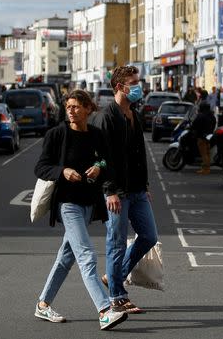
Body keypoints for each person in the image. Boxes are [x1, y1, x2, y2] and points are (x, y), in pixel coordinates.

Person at [34, 90, 128, 331]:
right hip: (68, 204)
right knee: (86, 255)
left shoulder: (96, 135)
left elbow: (107, 161)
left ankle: (43, 304)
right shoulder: (57, 134)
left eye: (76, 106)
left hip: (88, 204)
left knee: (66, 258)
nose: (71, 111)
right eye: (68, 107)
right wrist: (63, 171)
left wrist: (98, 166)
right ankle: (105, 310)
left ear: (88, 108)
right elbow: (41, 167)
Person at [91, 65, 158, 315]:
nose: (139, 86)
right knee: (116, 243)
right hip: (117, 191)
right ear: (120, 87)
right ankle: (117, 297)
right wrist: (109, 191)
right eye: (134, 82)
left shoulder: (133, 113)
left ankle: (113, 276)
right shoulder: (107, 117)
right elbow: (102, 157)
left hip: (138, 190)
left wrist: (146, 185)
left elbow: (139, 154)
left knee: (149, 236)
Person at [192, 101, 217, 175]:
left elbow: (194, 124)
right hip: (209, 137)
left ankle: (205, 169)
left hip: (201, 137)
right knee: (208, 153)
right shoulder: (212, 116)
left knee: (204, 154)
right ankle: (207, 168)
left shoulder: (201, 115)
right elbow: (214, 124)